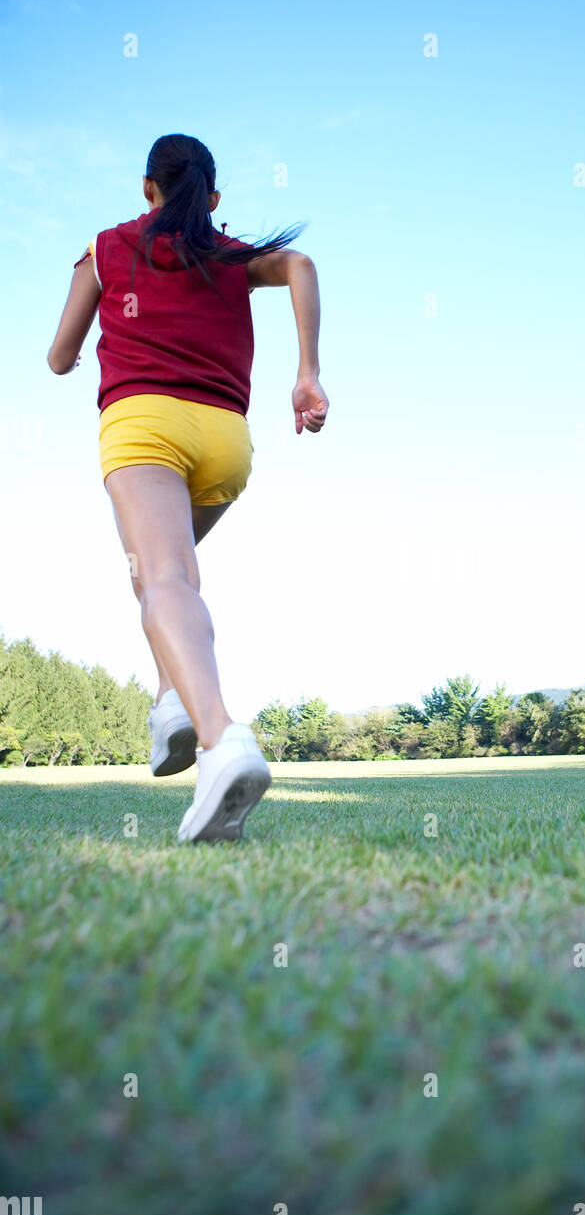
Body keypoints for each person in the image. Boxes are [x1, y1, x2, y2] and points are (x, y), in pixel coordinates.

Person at [47, 132, 328, 842]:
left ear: (149, 189)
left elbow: (57, 356)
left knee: (161, 575)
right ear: (213, 199)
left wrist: (83, 346)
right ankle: (171, 700)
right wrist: (307, 373)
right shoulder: (229, 254)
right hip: (226, 443)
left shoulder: (106, 247)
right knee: (162, 577)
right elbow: (299, 263)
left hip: (144, 425)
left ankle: (219, 737)